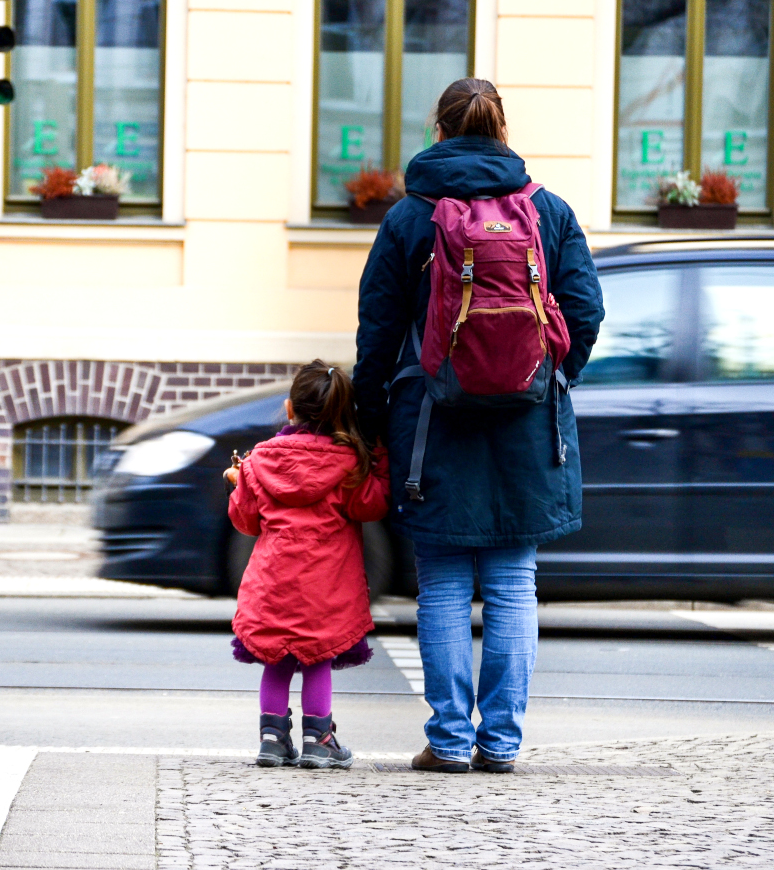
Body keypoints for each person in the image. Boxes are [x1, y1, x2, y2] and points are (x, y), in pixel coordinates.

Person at [353, 78, 604, 774]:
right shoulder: (547, 211)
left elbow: (376, 332)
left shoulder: (410, 217)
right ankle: (501, 743)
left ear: (439, 129)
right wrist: (550, 376)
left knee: (440, 585)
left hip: (432, 421)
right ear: (501, 130)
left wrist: (372, 421)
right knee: (513, 584)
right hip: (527, 423)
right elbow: (585, 312)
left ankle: (452, 742)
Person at [225, 360, 390, 770]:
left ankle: (272, 738)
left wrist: (237, 483)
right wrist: (381, 458)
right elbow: (371, 506)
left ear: (288, 409)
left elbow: (246, 521)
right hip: (327, 587)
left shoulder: (260, 460)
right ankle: (320, 739)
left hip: (273, 584)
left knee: (276, 662)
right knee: (318, 659)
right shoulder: (349, 463)